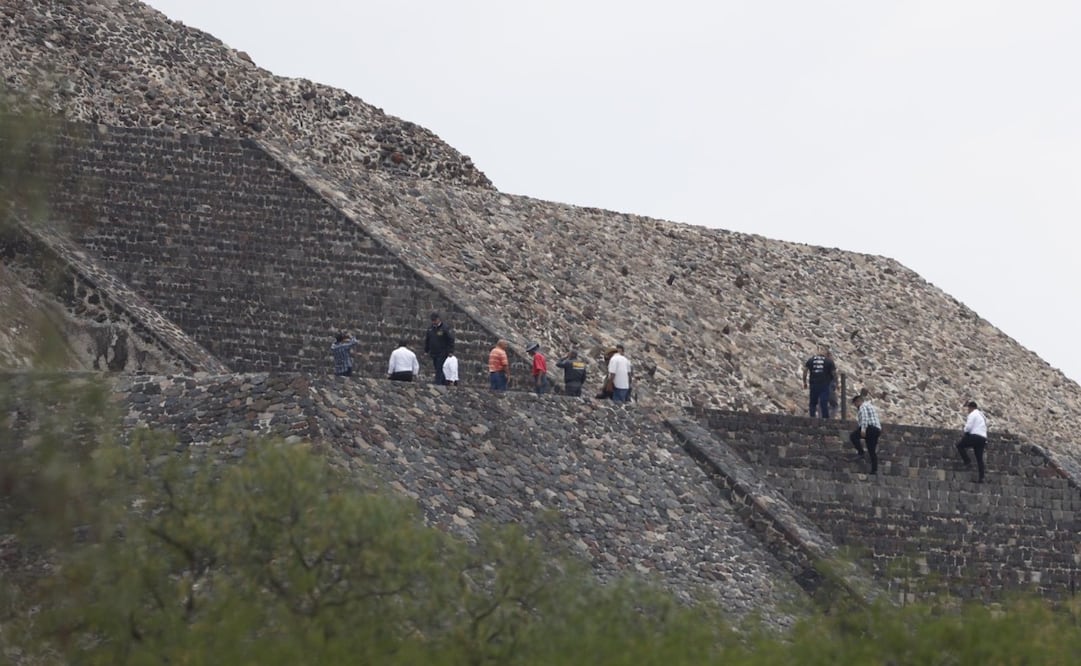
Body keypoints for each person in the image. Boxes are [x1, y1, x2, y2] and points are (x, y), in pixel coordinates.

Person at [849, 393, 882, 474]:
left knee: (853, 436)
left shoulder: (863, 406)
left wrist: (863, 429)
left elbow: (864, 417)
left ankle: (861, 452)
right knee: (872, 450)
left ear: (858, 401)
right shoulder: (870, 406)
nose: (856, 406)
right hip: (876, 430)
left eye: (855, 404)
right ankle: (874, 470)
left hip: (869, 428)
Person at [956, 400, 988, 483]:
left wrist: (965, 432)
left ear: (971, 408)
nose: (968, 411)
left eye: (968, 409)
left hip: (975, 436)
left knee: (960, 445)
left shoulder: (972, 414)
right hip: (983, 438)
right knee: (979, 458)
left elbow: (968, 427)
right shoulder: (982, 415)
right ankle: (982, 477)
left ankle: (967, 462)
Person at [802, 345, 836, 418]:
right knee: (824, 402)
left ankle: (812, 417)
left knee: (813, 402)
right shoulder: (829, 361)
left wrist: (804, 382)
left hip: (813, 383)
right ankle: (825, 419)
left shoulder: (811, 360)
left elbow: (805, 371)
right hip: (824, 384)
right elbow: (834, 373)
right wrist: (836, 383)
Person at [423, 311, 455, 385]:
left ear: (438, 319)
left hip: (442, 352)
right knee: (437, 367)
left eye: (435, 320)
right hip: (433, 352)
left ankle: (437, 383)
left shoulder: (445, 328)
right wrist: (426, 351)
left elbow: (451, 339)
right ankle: (444, 382)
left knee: (439, 368)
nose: (434, 322)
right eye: (432, 320)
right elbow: (427, 340)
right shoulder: (430, 329)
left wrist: (450, 351)